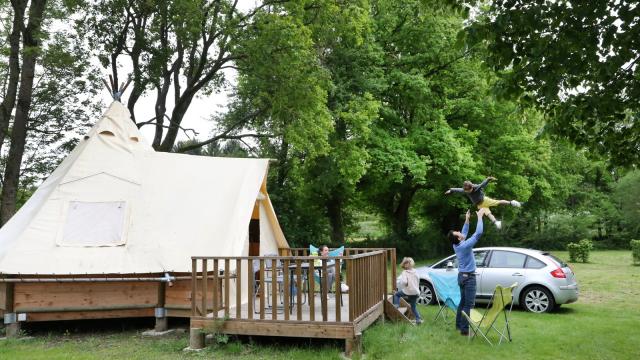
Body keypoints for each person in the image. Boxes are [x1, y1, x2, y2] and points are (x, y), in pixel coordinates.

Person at [448, 208, 485, 336]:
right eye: (457, 233)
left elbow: (464, 233)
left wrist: (467, 220)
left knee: (463, 303)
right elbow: (478, 233)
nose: (459, 232)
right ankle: (464, 330)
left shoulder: (456, 244)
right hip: (468, 279)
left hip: (462, 277)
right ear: (458, 238)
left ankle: (459, 325)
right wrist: (480, 217)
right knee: (468, 305)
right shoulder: (464, 246)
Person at [445, 176, 521, 229]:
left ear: (472, 187)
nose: (468, 192)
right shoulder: (465, 190)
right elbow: (457, 189)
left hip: (484, 200)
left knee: (498, 202)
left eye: (469, 191)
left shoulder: (476, 187)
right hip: (479, 205)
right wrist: (450, 190)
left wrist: (489, 179)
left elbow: (483, 184)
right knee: (488, 213)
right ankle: (496, 222)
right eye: (466, 191)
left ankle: (512, 202)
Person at [393, 257, 423, 324]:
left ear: (404, 265)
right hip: (415, 292)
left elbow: (404, 282)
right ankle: (418, 319)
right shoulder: (416, 271)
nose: (406, 264)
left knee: (397, 294)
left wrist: (404, 285)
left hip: (408, 291)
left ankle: (396, 306)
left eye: (406, 263)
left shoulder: (405, 272)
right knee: (413, 307)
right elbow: (418, 280)